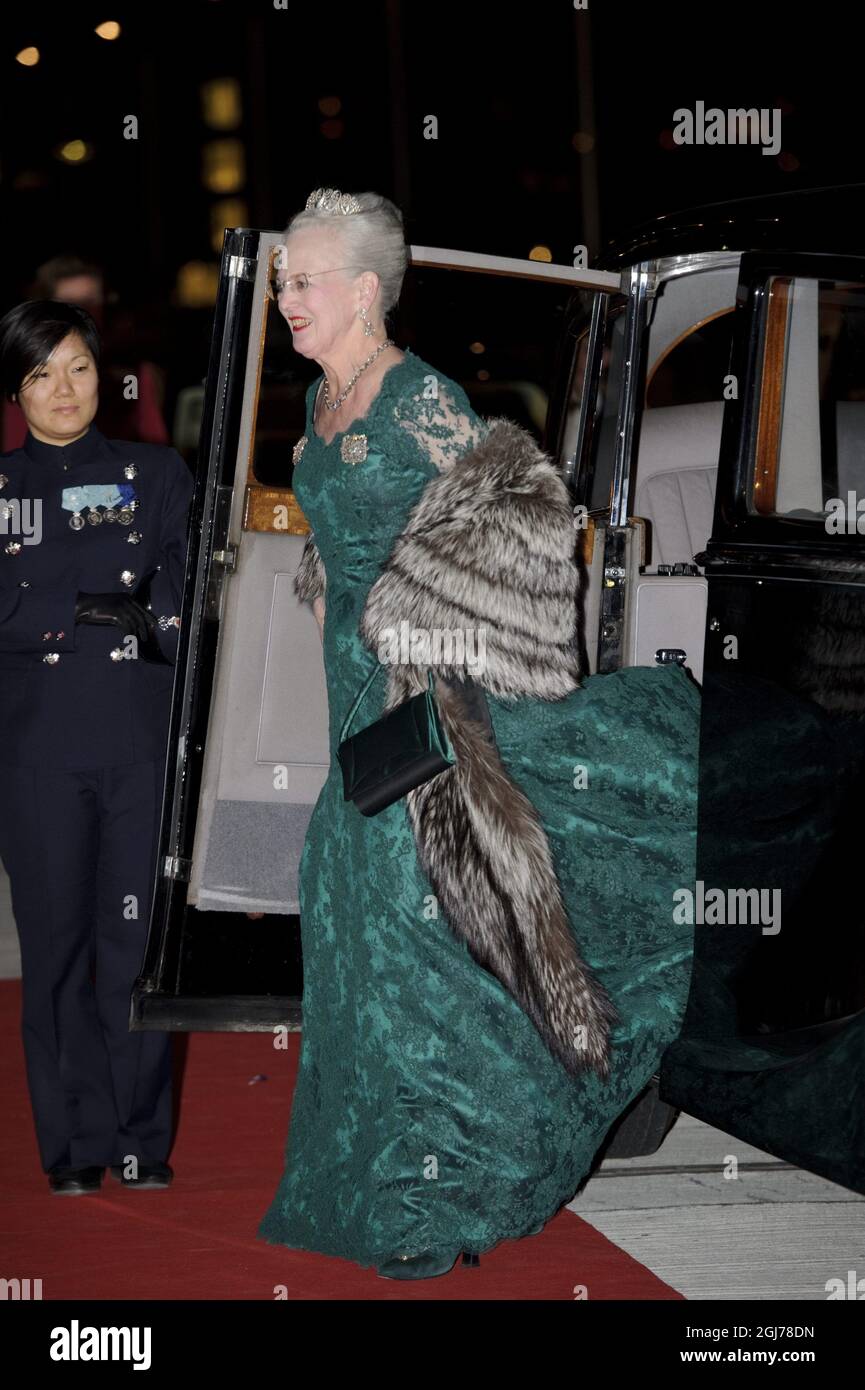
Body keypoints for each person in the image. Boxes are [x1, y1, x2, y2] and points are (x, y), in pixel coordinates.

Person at [256, 187, 699, 1280]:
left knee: (414, 926)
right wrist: (332, 577)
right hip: (356, 697)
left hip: (432, 699)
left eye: (302, 280)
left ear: (364, 290)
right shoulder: (322, 398)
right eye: (278, 282)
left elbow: (526, 516)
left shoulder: (418, 398)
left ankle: (442, 1186)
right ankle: (371, 1172)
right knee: (354, 916)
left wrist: (418, 612)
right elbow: (352, 522)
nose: (285, 298)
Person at [0, 300, 194, 1195]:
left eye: (77, 366)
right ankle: (72, 1147)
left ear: (102, 374)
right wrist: (76, 612)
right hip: (34, 751)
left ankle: (138, 1139)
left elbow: (182, 594)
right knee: (57, 953)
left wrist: (135, 617)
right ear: (17, 388)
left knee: (135, 950)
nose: (64, 388)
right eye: (42, 372)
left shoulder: (155, 472)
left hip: (137, 745)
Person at [1, 256, 170, 451]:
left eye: (90, 301)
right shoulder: (26, 374)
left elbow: (153, 442)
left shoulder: (133, 375)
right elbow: (15, 451)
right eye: (67, 304)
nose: (82, 311)